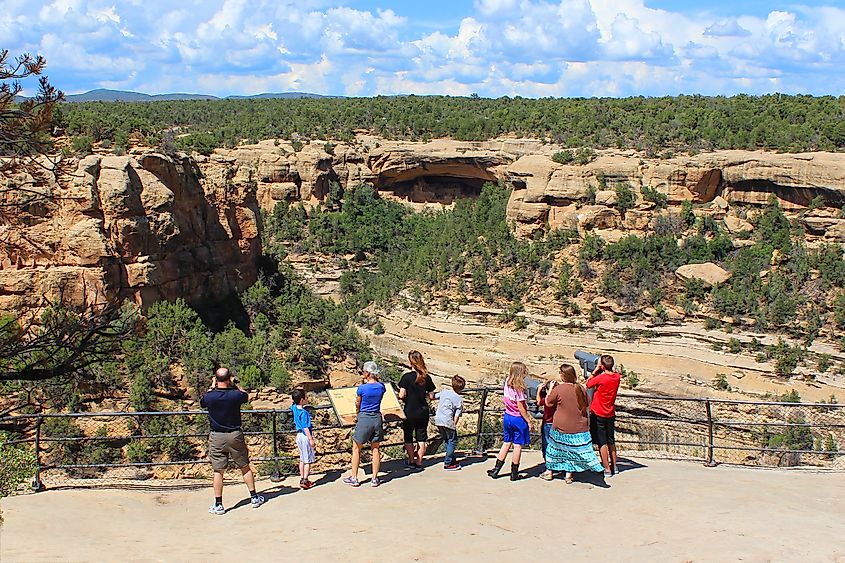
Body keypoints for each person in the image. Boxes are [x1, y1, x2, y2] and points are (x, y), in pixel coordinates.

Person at [200, 367, 265, 515]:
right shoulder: (235, 395)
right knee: (244, 466)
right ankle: (254, 497)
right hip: (235, 434)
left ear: (216, 380)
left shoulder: (210, 396)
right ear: (229, 379)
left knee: (218, 471)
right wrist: (235, 384)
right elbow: (245, 396)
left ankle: (218, 504)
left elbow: (203, 401)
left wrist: (212, 386)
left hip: (217, 436)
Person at [541, 364, 604, 483]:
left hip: (561, 426)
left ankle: (549, 471)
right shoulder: (580, 388)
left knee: (554, 449)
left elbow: (548, 403)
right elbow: (587, 404)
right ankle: (569, 475)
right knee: (572, 450)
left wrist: (550, 390)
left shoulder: (559, 389)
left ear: (563, 375)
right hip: (579, 426)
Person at [487, 361, 534, 481]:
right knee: (517, 446)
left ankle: (496, 470)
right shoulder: (519, 389)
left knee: (506, 443)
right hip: (518, 419)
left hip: (508, 416)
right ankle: (514, 473)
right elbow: (521, 408)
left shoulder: (507, 382)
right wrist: (528, 421)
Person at [344, 361, 386, 488]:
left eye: (363, 371)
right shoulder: (381, 387)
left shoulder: (362, 388)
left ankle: (354, 477)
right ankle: (374, 478)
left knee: (356, 448)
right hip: (377, 418)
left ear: (367, 373)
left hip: (364, 417)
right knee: (376, 449)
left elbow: (358, 403)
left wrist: (357, 414)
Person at [398, 350, 436, 469]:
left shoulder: (406, 377)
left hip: (410, 411)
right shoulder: (426, 377)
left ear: (411, 363)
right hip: (423, 410)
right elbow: (431, 396)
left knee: (408, 436)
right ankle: (419, 462)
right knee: (421, 436)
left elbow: (401, 395)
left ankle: (411, 461)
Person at [586, 354, 622, 477]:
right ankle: (614, 466)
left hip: (598, 413)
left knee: (602, 443)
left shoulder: (601, 378)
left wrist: (596, 370)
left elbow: (589, 383)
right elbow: (613, 372)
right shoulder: (617, 377)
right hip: (610, 413)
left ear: (602, 365)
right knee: (611, 440)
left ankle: (606, 468)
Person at [434, 375, 466, 470]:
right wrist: (454, 425)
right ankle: (448, 463)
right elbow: (456, 415)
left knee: (447, 441)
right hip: (448, 421)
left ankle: (452, 459)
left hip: (438, 420)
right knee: (452, 441)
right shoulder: (459, 399)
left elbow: (434, 396)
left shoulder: (444, 392)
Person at [291, 389, 316, 490]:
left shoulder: (294, 408)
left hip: (298, 436)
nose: (307, 398)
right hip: (305, 436)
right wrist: (311, 439)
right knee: (307, 460)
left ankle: (302, 478)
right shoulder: (304, 413)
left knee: (302, 458)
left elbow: (292, 403)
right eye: (305, 397)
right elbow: (306, 427)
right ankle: (305, 480)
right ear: (302, 400)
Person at [536, 370, 561, 469]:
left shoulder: (548, 399)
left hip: (548, 423)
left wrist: (538, 391)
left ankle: (549, 466)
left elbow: (539, 402)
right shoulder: (560, 398)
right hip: (559, 424)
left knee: (547, 444)